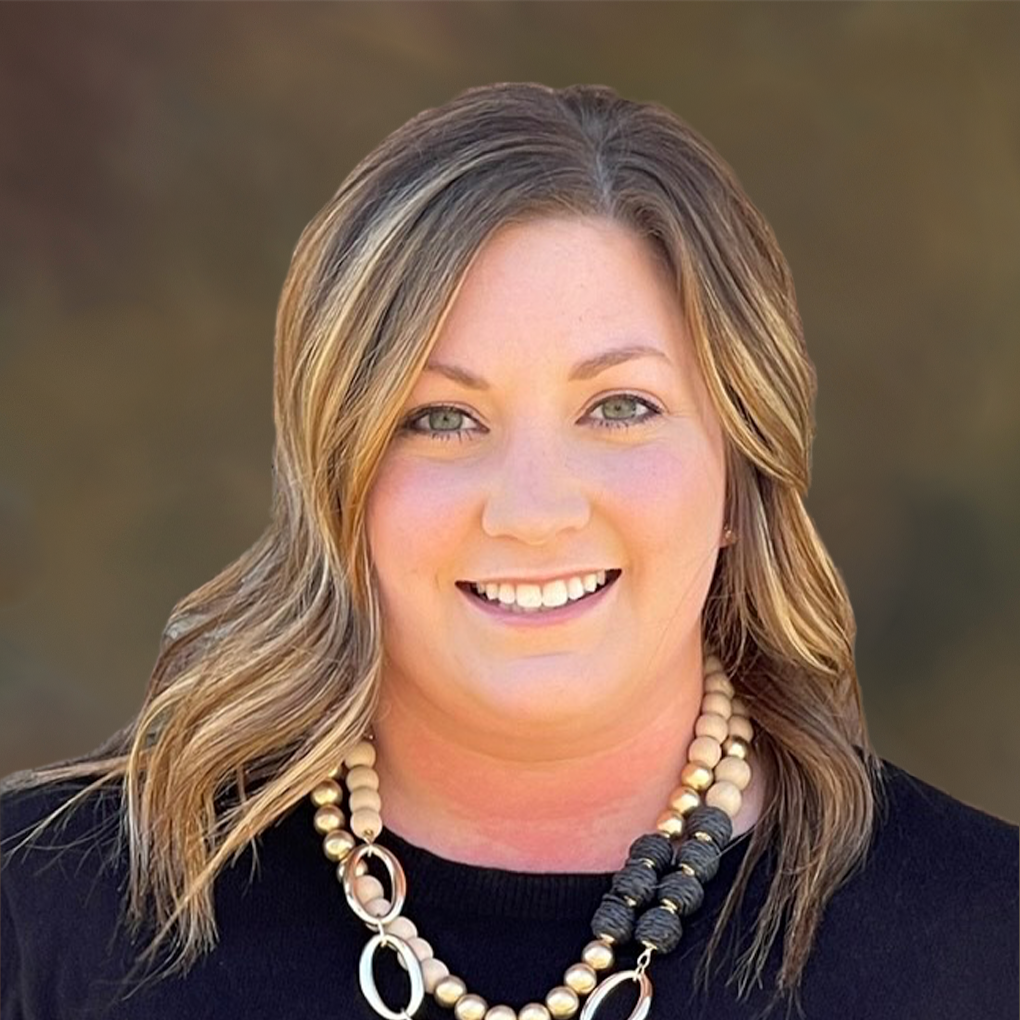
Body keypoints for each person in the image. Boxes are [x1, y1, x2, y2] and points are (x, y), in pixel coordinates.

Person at [1, 81, 1016, 1020]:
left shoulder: (981, 944)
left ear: (740, 466)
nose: (533, 511)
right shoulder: (49, 914)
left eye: (620, 408)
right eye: (441, 418)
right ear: (334, 473)